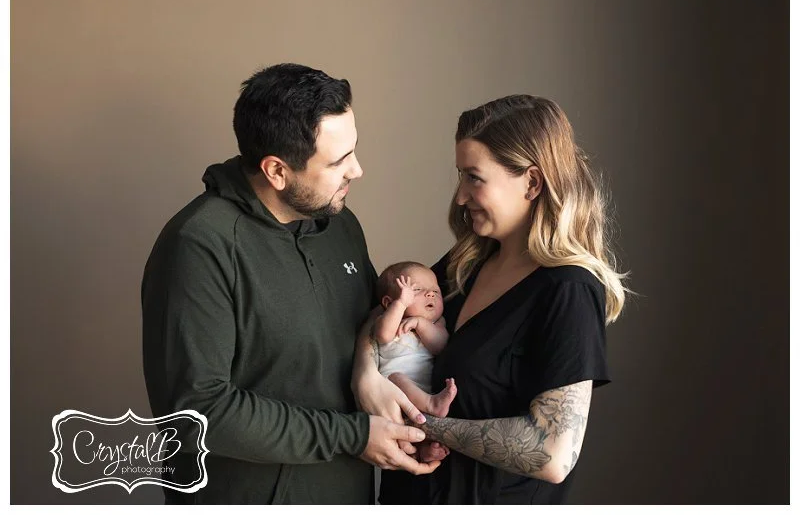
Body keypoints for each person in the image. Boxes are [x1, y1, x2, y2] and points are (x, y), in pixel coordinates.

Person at [141, 63, 438, 505]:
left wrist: (372, 384)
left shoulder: (340, 224)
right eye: (338, 161)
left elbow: (367, 325)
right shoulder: (200, 245)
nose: (357, 170)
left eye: (354, 151)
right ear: (277, 171)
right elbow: (197, 413)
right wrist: (352, 435)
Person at [351, 94, 629, 504]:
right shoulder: (466, 263)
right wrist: (364, 377)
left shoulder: (568, 291)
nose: (460, 196)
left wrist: (422, 421)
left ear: (532, 183)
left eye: (474, 178)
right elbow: (386, 309)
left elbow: (551, 453)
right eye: (460, 176)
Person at [373, 262, 457, 418]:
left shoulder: (436, 323)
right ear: (389, 303)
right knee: (396, 377)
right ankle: (432, 405)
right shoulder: (387, 320)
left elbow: (440, 346)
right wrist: (401, 304)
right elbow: (384, 336)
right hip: (390, 390)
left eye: (436, 291)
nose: (430, 294)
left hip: (423, 391)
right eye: (417, 290)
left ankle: (430, 405)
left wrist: (420, 323)